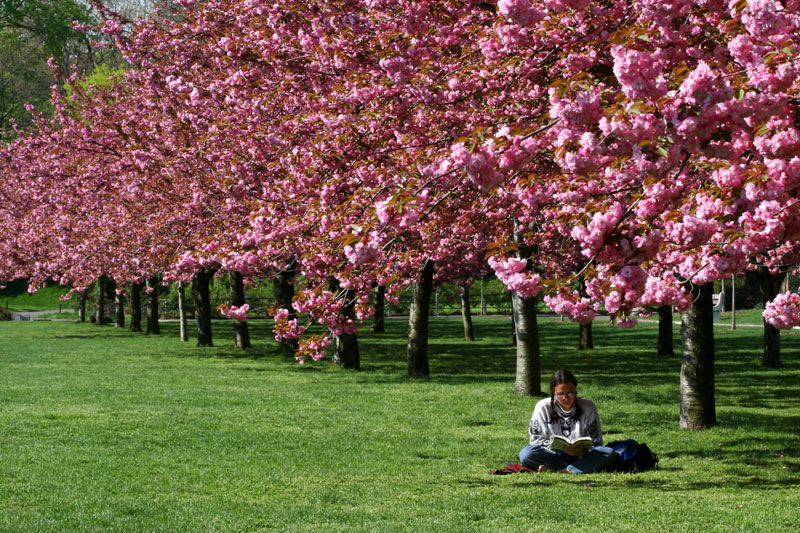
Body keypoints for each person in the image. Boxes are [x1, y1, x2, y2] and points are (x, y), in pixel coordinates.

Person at [519, 369, 616, 474]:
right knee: (526, 454)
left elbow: (597, 441)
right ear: (554, 393)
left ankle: (561, 471)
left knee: (608, 453)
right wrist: (562, 451)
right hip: (554, 456)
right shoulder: (543, 407)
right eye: (561, 394)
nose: (566, 398)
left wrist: (580, 451)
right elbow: (536, 440)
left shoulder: (588, 406)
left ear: (575, 390)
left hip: (582, 456)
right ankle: (579, 468)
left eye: (570, 393)